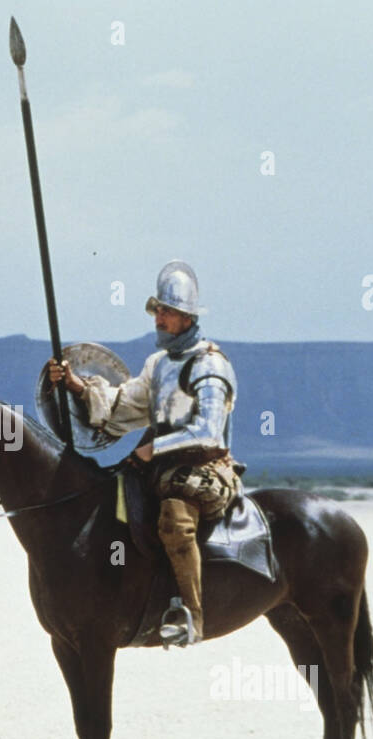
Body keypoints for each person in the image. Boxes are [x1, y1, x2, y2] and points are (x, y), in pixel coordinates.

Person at [47, 260, 240, 646]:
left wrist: (157, 447)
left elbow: (208, 429)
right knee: (109, 507)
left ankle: (192, 616)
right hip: (159, 467)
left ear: (187, 318)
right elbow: (122, 405)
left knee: (174, 520)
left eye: (167, 312)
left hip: (205, 468)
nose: (159, 319)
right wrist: (75, 386)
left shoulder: (210, 364)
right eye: (157, 311)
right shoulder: (158, 365)